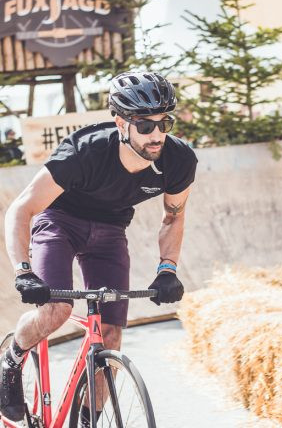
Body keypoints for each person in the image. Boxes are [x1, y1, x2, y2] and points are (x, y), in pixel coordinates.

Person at [0, 72, 197, 423]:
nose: (157, 134)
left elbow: (173, 217)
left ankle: (87, 418)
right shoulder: (84, 152)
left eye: (164, 122)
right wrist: (23, 271)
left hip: (110, 230)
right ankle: (11, 359)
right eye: (145, 124)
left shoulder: (178, 160)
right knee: (57, 310)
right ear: (121, 122)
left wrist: (167, 268)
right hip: (59, 222)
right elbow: (21, 208)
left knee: (111, 333)